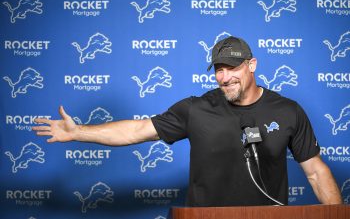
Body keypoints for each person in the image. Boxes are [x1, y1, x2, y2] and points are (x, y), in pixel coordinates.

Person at [33, 36, 343, 207]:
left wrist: (337, 217)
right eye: (218, 69)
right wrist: (79, 132)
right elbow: (137, 130)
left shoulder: (288, 110)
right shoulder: (196, 108)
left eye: (232, 67)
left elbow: (315, 172)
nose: (224, 77)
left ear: (252, 65)